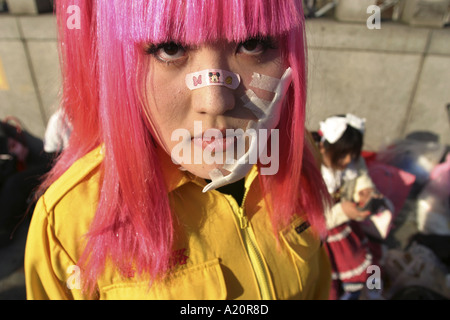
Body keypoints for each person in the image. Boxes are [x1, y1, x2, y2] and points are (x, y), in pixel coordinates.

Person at [25, 0, 332, 300]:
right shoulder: (67, 225)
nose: (214, 101)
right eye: (170, 48)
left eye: (252, 43)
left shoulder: (298, 161)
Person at [312, 113, 388, 300]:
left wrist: (366, 193)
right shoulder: (311, 168)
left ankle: (367, 292)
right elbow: (308, 218)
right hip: (317, 236)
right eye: (342, 154)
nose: (347, 161)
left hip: (346, 227)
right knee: (327, 279)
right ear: (322, 147)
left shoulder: (353, 162)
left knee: (366, 262)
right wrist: (342, 211)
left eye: (352, 155)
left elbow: (362, 180)